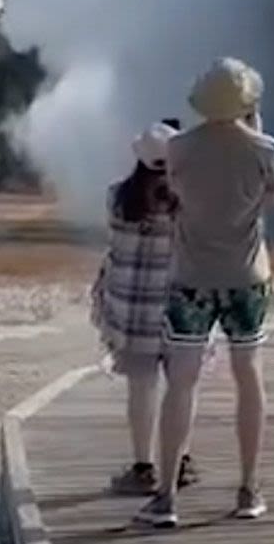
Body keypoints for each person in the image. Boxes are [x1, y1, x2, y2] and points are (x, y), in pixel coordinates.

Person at [135, 58, 274, 529]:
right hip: (247, 278)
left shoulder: (180, 149)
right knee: (249, 380)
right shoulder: (266, 149)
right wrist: (255, 130)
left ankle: (165, 498)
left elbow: (162, 173)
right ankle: (248, 489)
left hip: (191, 279)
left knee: (181, 384)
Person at [91, 120, 199, 496]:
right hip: (180, 312)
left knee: (141, 390)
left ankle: (143, 467)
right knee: (182, 388)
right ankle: (181, 461)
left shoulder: (116, 197)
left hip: (131, 314)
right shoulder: (188, 204)